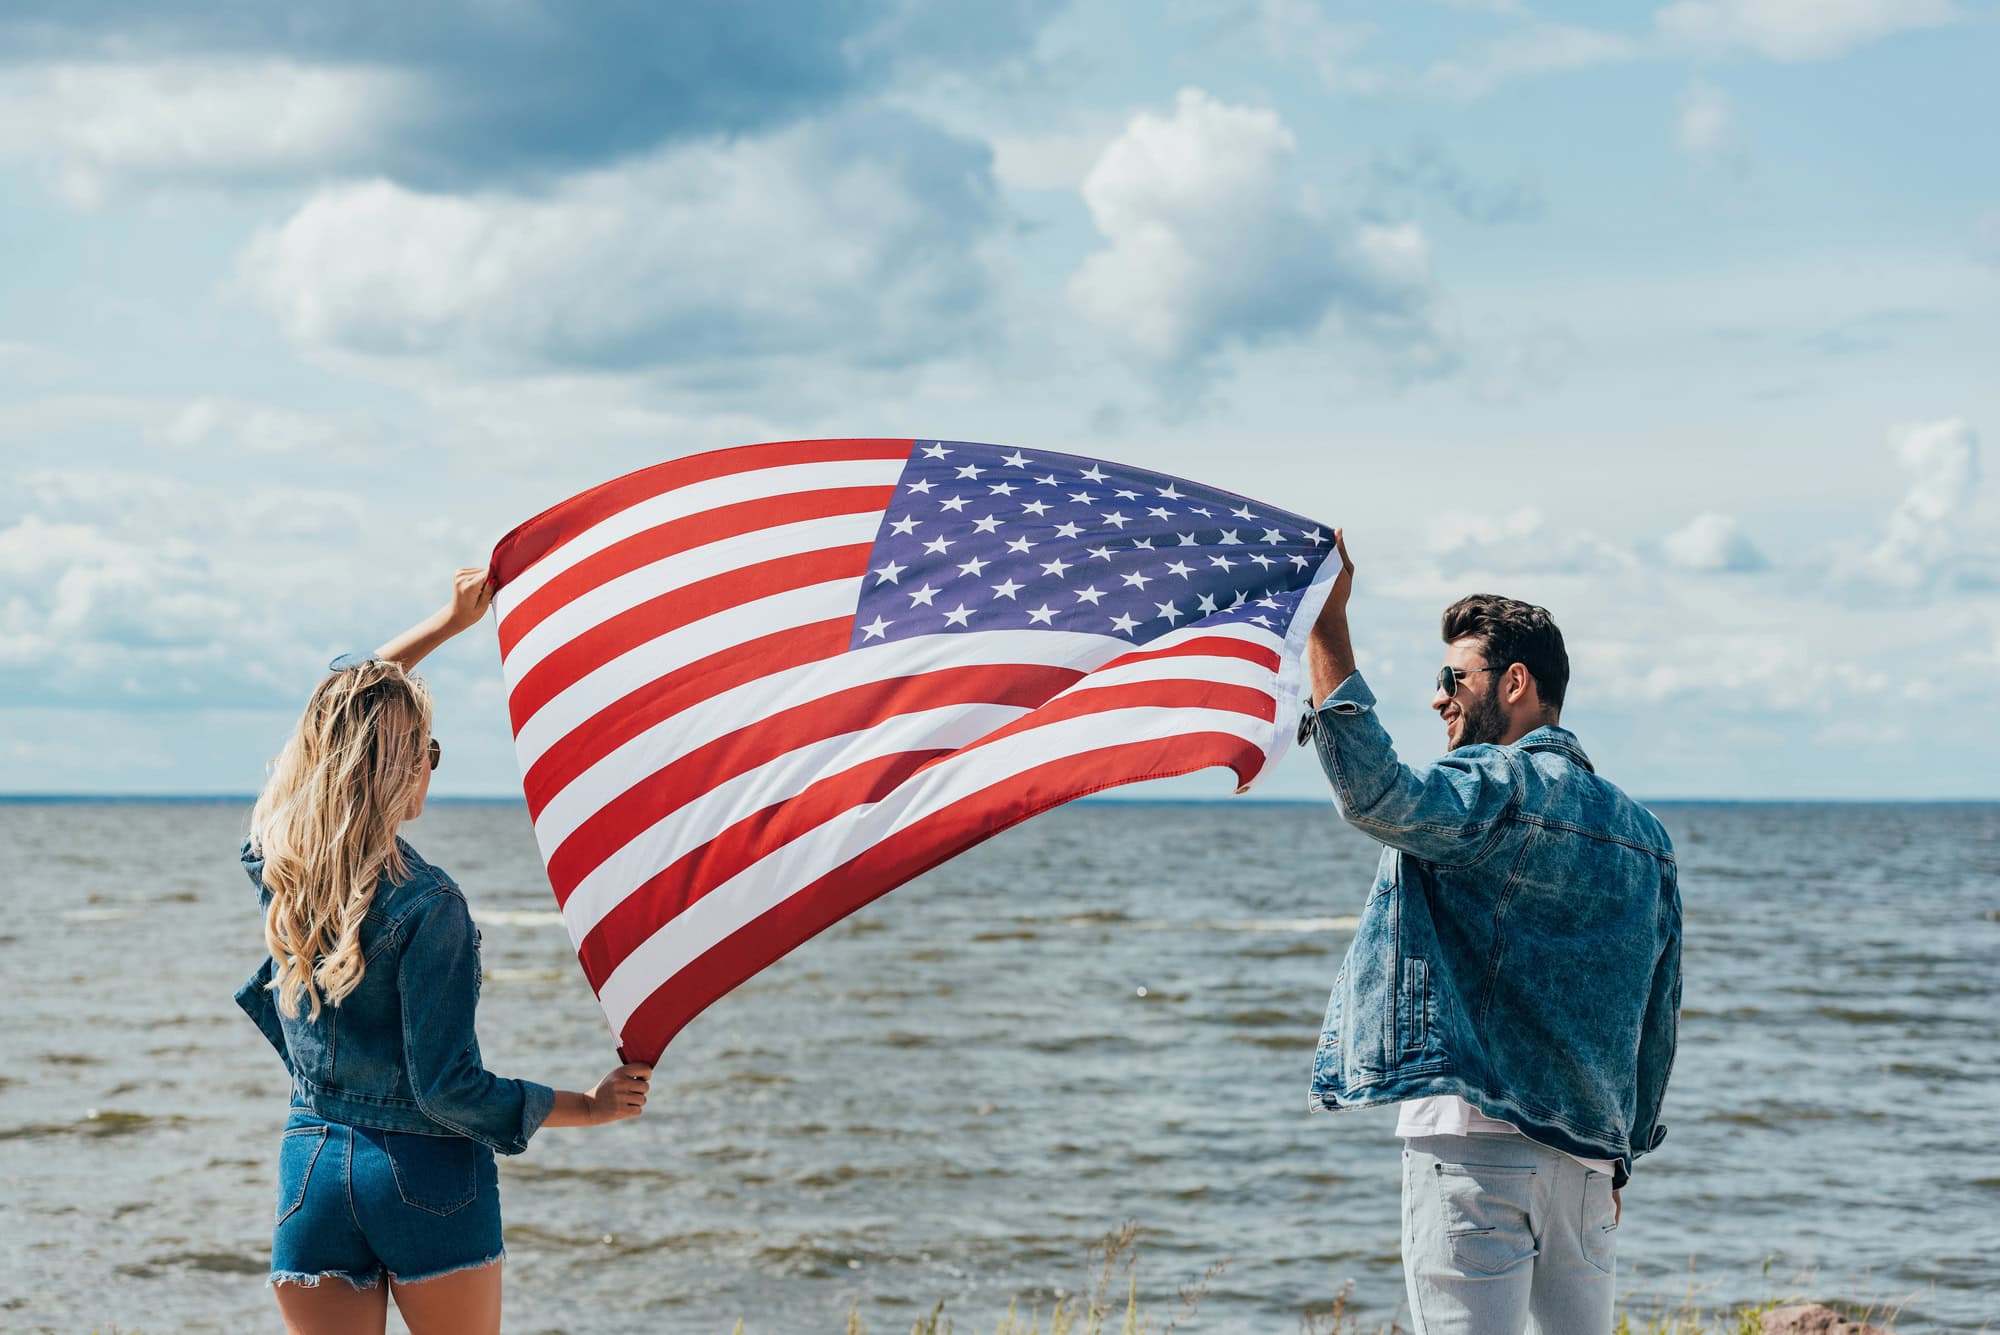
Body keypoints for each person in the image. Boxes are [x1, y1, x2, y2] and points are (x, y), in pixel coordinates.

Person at [234, 567, 653, 1335]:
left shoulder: (282, 866)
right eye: (428, 748)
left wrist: (446, 623)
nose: (433, 761)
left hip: (314, 1173)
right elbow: (446, 1089)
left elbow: (325, 720)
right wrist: (586, 1107)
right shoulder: (432, 905)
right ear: (402, 766)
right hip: (426, 1180)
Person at [1299, 532, 1681, 1335]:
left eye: (1452, 678)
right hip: (1586, 1169)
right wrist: (1622, 1150)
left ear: (1514, 682)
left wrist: (1325, 628)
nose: (1438, 697)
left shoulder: (1490, 786)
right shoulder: (1646, 835)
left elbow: (1375, 794)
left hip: (1473, 1151)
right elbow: (1657, 1014)